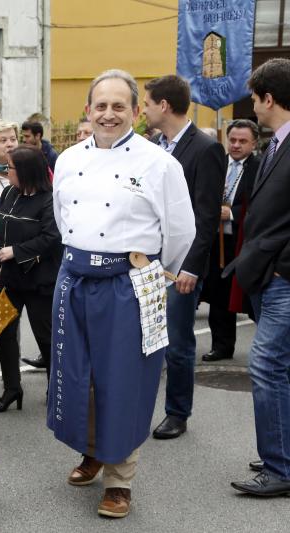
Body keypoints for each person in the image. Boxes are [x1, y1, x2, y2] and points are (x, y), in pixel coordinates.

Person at [49, 69, 194, 518]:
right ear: (88, 110)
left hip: (132, 282)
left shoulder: (159, 163)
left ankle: (120, 478)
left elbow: (181, 233)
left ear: (135, 111)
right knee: (77, 373)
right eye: (100, 105)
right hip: (74, 278)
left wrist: (148, 274)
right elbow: (61, 218)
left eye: (118, 106)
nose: (108, 114)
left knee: (126, 380)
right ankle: (92, 450)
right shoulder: (70, 159)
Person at [142, 75, 226, 440]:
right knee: (147, 339)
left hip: (181, 268)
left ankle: (177, 411)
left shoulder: (205, 149)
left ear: (164, 105)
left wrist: (191, 266)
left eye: (146, 103)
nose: (142, 110)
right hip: (147, 262)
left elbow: (206, 216)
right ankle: (141, 405)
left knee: (176, 343)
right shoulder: (153, 146)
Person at [227, 58, 290, 497]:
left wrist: (282, 266)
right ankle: (281, 452)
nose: (252, 104)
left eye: (254, 97)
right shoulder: (276, 143)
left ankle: (279, 468)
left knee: (266, 366)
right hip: (269, 272)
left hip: (284, 276)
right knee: (278, 368)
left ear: (269, 99)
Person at [0, 145, 61, 412]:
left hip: (39, 281)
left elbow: (52, 238)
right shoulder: (9, 192)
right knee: (4, 335)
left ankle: (57, 389)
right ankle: (12, 389)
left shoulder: (49, 200)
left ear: (26, 171)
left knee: (46, 337)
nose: (7, 172)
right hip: (8, 279)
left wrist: (16, 251)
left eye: (11, 168)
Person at [200, 119, 260, 362]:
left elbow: (260, 204)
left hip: (243, 241)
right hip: (216, 241)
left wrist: (232, 213)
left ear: (254, 143)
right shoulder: (217, 163)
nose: (236, 145)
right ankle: (222, 346)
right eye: (232, 140)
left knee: (252, 297)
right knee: (218, 295)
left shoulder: (259, 166)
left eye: (242, 141)